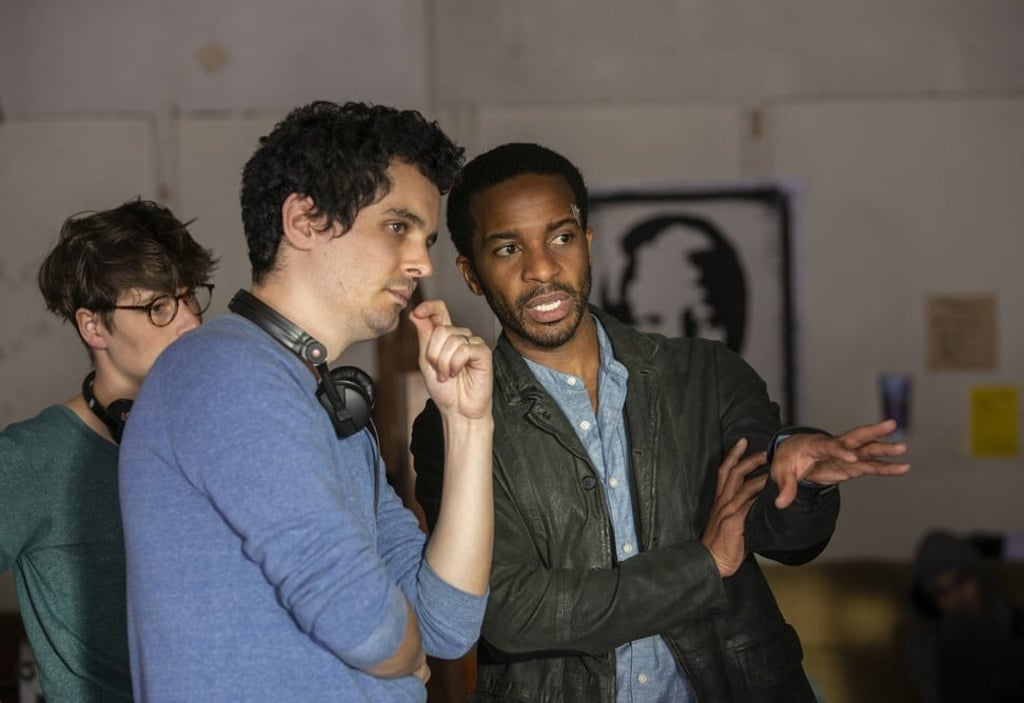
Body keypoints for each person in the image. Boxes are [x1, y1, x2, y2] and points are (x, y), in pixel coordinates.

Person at [412, 142, 910, 702]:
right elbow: (509, 610)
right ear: (471, 273)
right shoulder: (453, 426)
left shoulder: (706, 374)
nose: (543, 269)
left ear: (588, 243)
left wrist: (803, 479)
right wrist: (703, 566)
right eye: (507, 248)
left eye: (561, 238)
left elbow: (787, 541)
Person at [118, 101, 494, 702]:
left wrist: (469, 422)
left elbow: (448, 626)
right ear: (304, 220)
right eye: (397, 226)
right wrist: (404, 652)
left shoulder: (321, 400)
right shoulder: (226, 373)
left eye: (424, 237)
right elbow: (365, 623)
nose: (422, 262)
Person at [0, 198, 217, 702]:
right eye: (159, 306)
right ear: (92, 326)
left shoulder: (214, 436)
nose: (189, 321)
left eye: (189, 297)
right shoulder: (32, 459)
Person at [903, 530, 1024, 702]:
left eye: (960, 582)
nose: (956, 597)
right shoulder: (925, 641)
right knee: (957, 626)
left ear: (978, 578)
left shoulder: (1010, 619)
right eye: (942, 593)